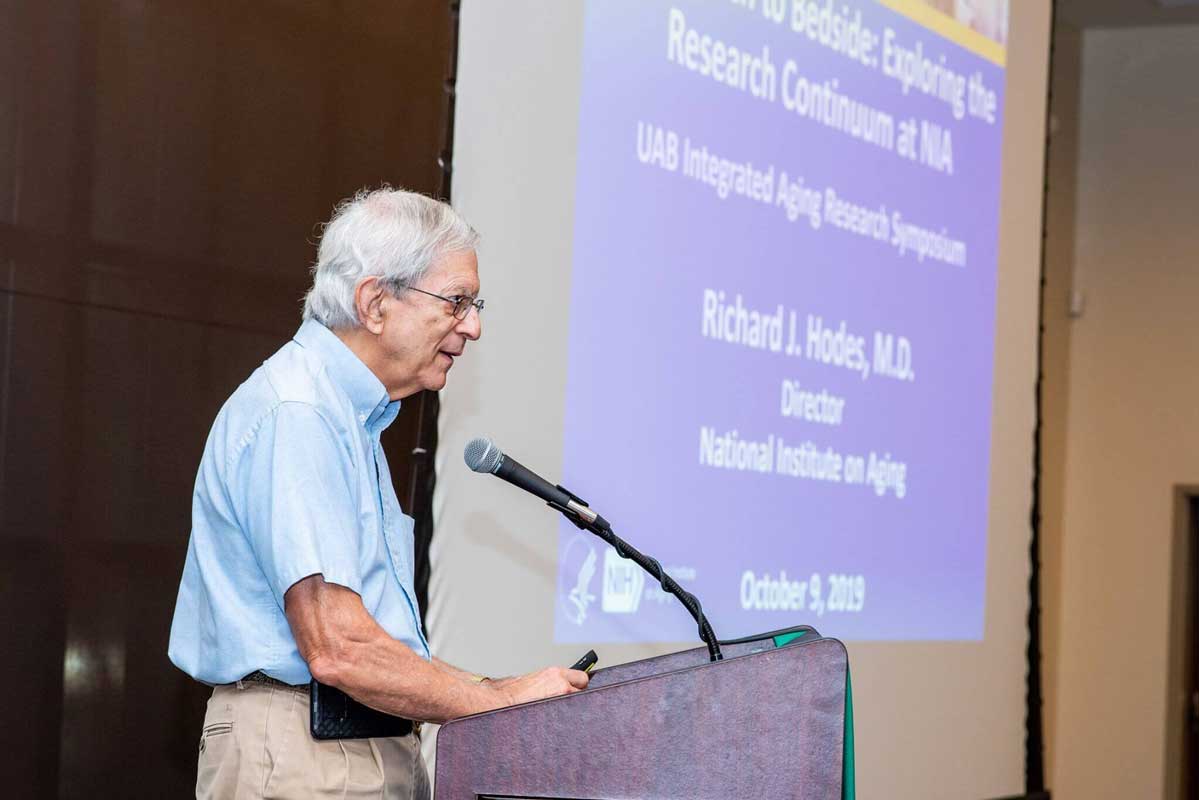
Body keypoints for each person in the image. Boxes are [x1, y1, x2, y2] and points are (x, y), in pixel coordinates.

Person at [168, 187, 588, 799]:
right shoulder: (298, 413)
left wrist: (500, 691)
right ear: (374, 302)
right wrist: (498, 702)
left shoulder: (346, 417)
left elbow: (372, 641)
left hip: (349, 744)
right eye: (457, 301)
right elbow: (338, 648)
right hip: (303, 750)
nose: (473, 326)